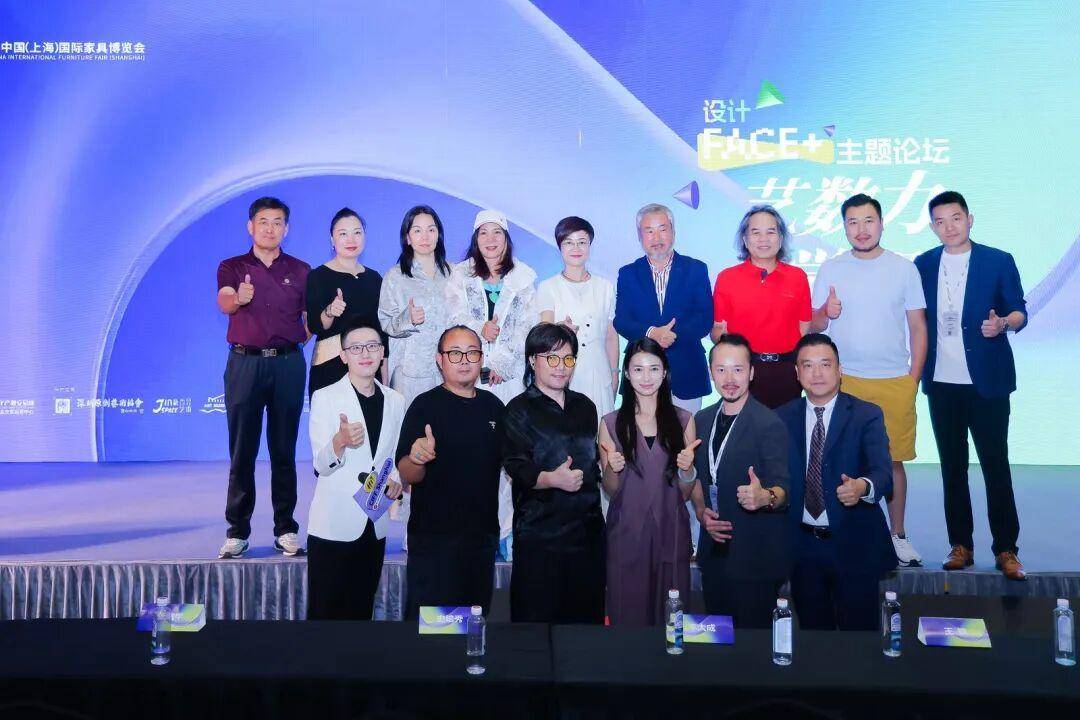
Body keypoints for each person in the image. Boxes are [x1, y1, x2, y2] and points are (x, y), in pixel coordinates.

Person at [914, 190, 1028, 581]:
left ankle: (1007, 548)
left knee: (996, 465)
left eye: (956, 218)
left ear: (970, 219)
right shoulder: (923, 264)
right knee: (952, 467)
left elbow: (1019, 310)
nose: (949, 227)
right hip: (942, 383)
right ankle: (960, 545)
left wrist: (1003, 324)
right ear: (932, 226)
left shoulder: (998, 260)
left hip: (987, 382)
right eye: (940, 221)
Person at [810, 193, 928, 567]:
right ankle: (842, 532)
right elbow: (813, 325)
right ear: (844, 227)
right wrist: (826, 312)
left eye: (868, 221)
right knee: (837, 461)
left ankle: (898, 535)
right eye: (853, 222)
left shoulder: (904, 268)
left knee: (892, 462)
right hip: (843, 382)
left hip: (893, 380)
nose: (861, 229)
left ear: (881, 223)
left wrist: (912, 380)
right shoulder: (831, 268)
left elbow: (918, 327)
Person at [775, 334, 896, 630]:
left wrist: (862, 487)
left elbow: (883, 473)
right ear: (797, 373)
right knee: (814, 638)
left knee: (859, 639)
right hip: (802, 547)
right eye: (808, 365)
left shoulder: (866, 415)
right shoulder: (780, 418)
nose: (817, 373)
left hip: (854, 544)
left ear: (840, 370)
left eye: (825, 364)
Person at [216, 197, 310, 559]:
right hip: (245, 365)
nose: (270, 229)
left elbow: (309, 322)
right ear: (250, 227)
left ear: (287, 228)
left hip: (287, 365)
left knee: (284, 450)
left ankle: (286, 529)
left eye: (278, 222)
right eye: (264, 222)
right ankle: (237, 532)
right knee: (242, 451)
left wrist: (295, 339)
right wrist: (239, 299)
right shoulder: (232, 266)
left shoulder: (301, 270)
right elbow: (225, 301)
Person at [395, 325, 505, 618]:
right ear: (439, 359)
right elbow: (407, 473)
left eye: (472, 353)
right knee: (435, 629)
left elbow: (514, 463)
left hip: (480, 541)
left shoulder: (494, 408)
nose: (464, 360)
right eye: (455, 353)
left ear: (482, 358)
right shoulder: (424, 406)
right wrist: (417, 458)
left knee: (472, 626)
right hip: (434, 542)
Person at [446, 209, 537, 558]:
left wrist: (501, 363)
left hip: (509, 382)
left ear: (507, 238)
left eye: (496, 232)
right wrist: (480, 331)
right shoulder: (460, 277)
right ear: (475, 238)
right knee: (473, 457)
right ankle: (475, 532)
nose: (490, 239)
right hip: (470, 382)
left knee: (511, 459)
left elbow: (527, 327)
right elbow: (453, 319)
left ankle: (509, 533)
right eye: (483, 233)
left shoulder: (524, 278)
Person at [501, 323, 605, 623]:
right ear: (532, 360)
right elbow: (516, 467)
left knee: (585, 630)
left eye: (568, 358)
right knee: (536, 631)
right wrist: (551, 479)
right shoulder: (517, 410)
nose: (561, 366)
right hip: (540, 537)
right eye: (552, 358)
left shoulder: (585, 407)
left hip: (587, 536)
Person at [690, 334, 790, 629]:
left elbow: (784, 490)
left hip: (754, 559)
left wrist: (765, 497)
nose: (730, 379)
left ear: (752, 372)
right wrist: (700, 511)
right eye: (721, 369)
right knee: (719, 641)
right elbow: (697, 479)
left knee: (753, 648)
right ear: (711, 372)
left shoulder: (769, 423)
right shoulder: (701, 419)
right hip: (713, 556)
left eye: (738, 369)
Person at [306, 319, 404, 620]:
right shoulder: (325, 397)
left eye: (372, 346)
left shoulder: (396, 400)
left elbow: (391, 457)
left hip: (374, 521)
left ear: (382, 353)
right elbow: (321, 465)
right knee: (325, 616)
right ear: (343, 355)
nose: (365, 353)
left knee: (362, 613)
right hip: (333, 525)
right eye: (356, 348)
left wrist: (396, 481)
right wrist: (339, 442)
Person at [598, 337, 699, 625]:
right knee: (627, 617)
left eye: (654, 369)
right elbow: (611, 490)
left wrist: (687, 470)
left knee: (672, 620)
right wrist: (612, 468)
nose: (646, 377)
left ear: (665, 372)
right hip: (627, 533)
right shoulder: (610, 423)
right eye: (638, 369)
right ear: (627, 374)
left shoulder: (683, 421)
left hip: (671, 531)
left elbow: (685, 492)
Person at [613, 203, 713, 413]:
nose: (656, 238)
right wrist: (652, 333)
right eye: (649, 231)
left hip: (686, 371)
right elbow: (622, 320)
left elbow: (704, 318)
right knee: (642, 433)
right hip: (641, 374)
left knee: (686, 432)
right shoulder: (628, 273)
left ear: (673, 232)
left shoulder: (696, 269)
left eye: (662, 229)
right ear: (640, 236)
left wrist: (671, 335)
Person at [711, 204, 811, 409]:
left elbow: (803, 328)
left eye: (770, 232)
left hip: (786, 372)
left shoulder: (797, 277)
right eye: (756, 233)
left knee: (787, 427)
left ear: (780, 238)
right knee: (745, 428)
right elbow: (718, 329)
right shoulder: (727, 278)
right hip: (744, 371)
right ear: (745, 239)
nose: (763, 239)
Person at [535, 216, 619, 420]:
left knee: (601, 430)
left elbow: (610, 335)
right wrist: (558, 329)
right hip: (563, 373)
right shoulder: (548, 287)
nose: (576, 248)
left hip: (599, 372)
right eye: (569, 243)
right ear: (560, 247)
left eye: (582, 242)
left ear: (590, 245)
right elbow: (543, 330)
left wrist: (614, 373)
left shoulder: (605, 287)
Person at [305, 207, 385, 397]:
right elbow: (315, 325)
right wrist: (330, 312)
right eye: (343, 234)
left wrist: (385, 379)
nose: (351, 240)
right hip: (331, 367)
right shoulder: (318, 276)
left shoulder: (374, 278)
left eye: (357, 233)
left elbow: (382, 331)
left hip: (369, 368)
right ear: (332, 239)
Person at [378, 205, 453, 406]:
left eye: (431, 229)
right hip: (410, 374)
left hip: (449, 369)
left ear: (439, 235)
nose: (425, 237)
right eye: (417, 230)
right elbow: (385, 322)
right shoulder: (395, 276)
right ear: (407, 238)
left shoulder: (454, 274)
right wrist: (407, 318)